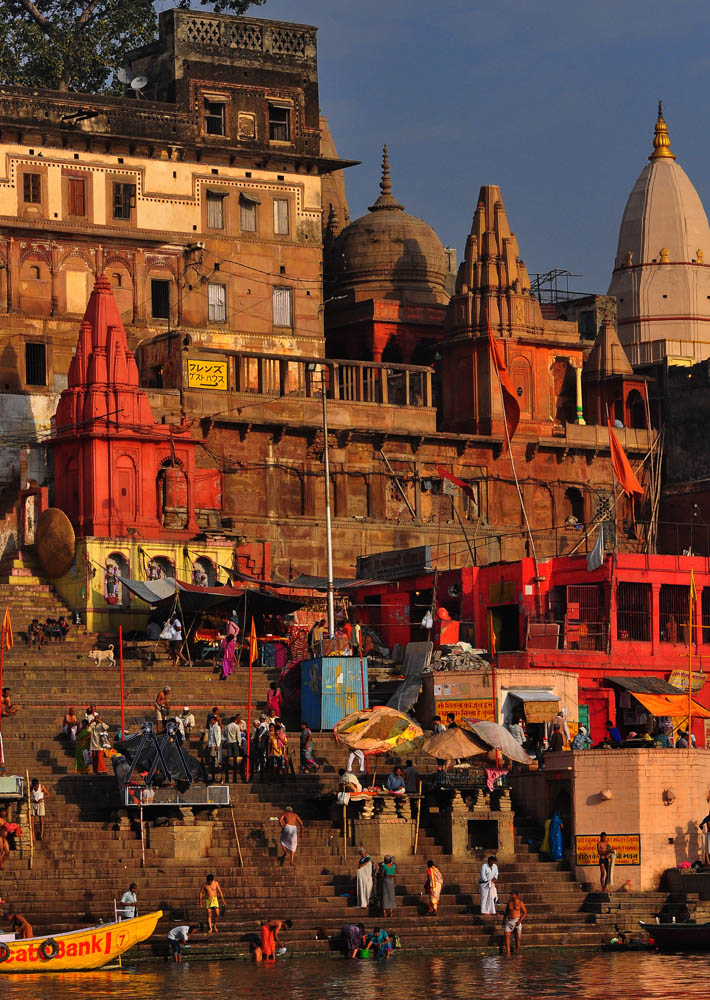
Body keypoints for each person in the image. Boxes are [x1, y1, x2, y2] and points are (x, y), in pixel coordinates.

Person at [222, 716, 242, 783]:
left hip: (228, 742)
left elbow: (224, 735)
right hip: (234, 742)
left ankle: (229, 768)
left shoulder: (226, 726)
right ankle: (236, 768)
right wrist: (239, 743)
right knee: (236, 756)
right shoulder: (236, 726)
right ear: (235, 720)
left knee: (229, 756)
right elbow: (238, 735)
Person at [207, 714, 222, 783]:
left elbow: (218, 736)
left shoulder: (217, 727)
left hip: (214, 744)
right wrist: (208, 745)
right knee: (212, 756)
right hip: (210, 743)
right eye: (211, 720)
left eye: (212, 720)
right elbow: (210, 737)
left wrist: (218, 744)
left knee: (213, 756)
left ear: (215, 720)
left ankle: (216, 766)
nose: (211, 721)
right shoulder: (211, 727)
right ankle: (215, 766)